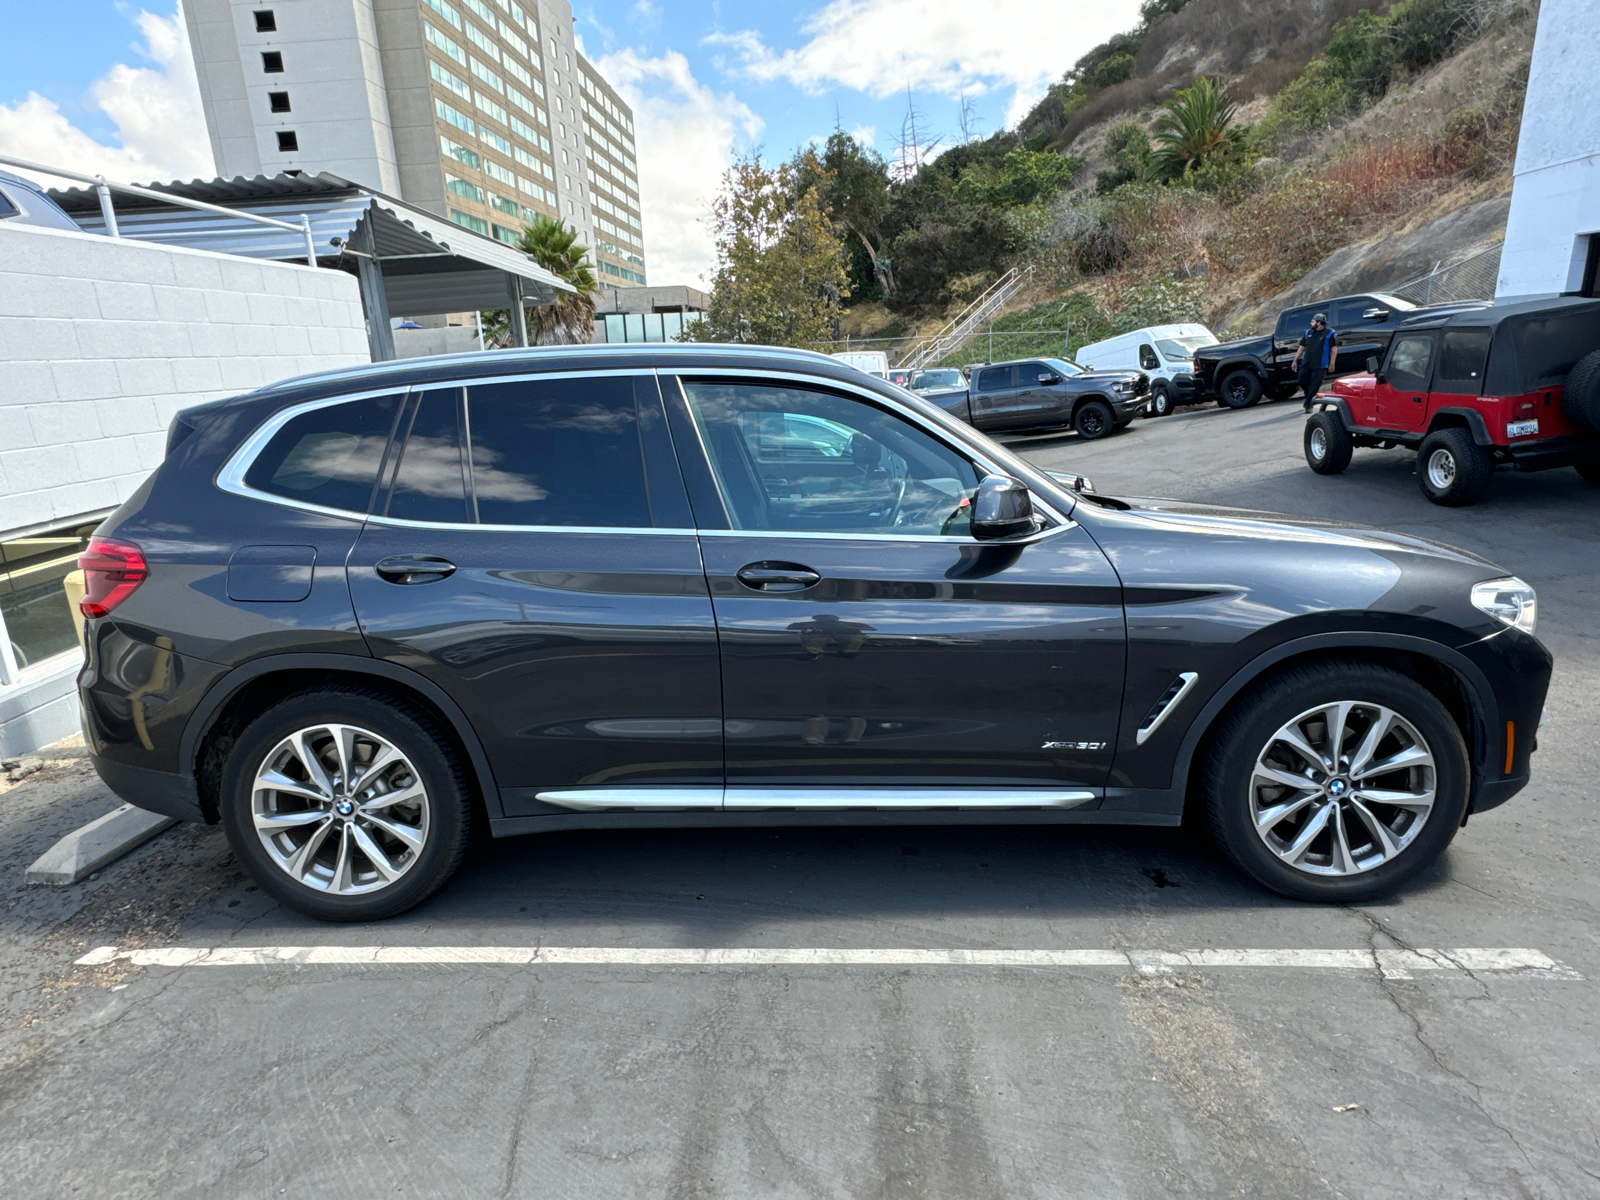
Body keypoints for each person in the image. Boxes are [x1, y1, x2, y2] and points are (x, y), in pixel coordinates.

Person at [1292, 312, 1338, 411]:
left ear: (1319, 322)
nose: (1310, 323)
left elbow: (1334, 349)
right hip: (1307, 362)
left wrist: (1332, 363)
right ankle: (1309, 396)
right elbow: (1301, 347)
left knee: (1315, 385)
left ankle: (1308, 404)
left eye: (1312, 321)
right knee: (1301, 380)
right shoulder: (1308, 333)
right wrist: (1295, 360)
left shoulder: (1329, 333)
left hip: (1320, 364)